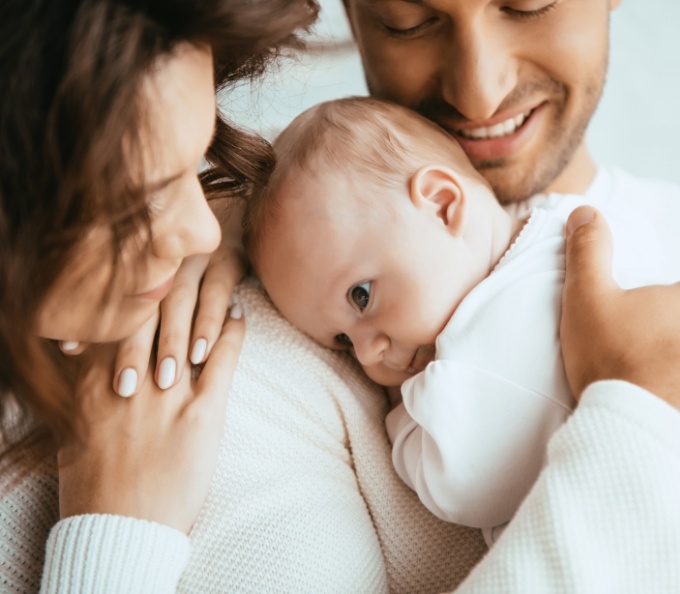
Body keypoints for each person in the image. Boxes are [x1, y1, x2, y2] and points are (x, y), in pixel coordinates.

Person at [1, 1, 680, 594]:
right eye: (407, 22)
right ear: (350, 14)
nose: (479, 93)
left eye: (530, 5)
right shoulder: (239, 299)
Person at [244, 95, 677, 546]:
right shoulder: (575, 224)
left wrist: (402, 417)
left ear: (442, 204)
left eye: (362, 296)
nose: (367, 352)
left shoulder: (462, 366)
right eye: (342, 341)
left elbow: (462, 489)